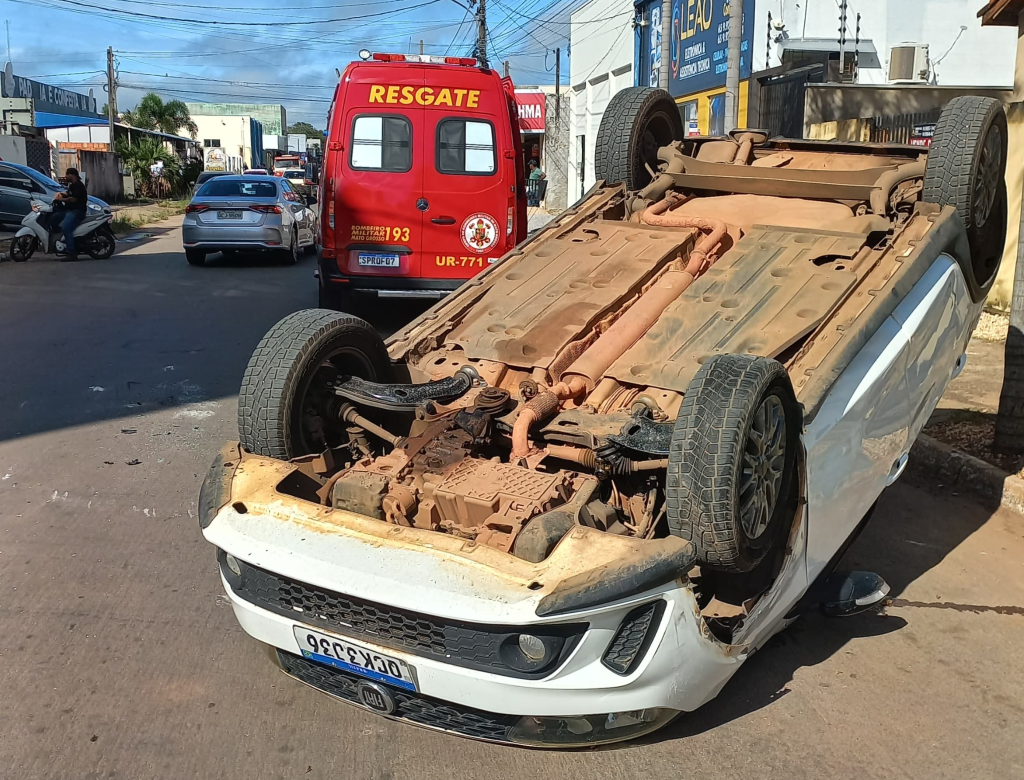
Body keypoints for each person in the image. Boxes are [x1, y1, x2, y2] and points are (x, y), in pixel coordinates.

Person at [53, 168, 88, 261]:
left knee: (66, 227)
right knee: (54, 218)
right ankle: (59, 241)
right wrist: (60, 194)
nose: (65, 176)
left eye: (67, 174)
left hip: (77, 211)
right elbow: (68, 193)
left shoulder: (79, 186)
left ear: (72, 175)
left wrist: (61, 200)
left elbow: (73, 199)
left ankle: (71, 253)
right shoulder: (72, 186)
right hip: (69, 210)